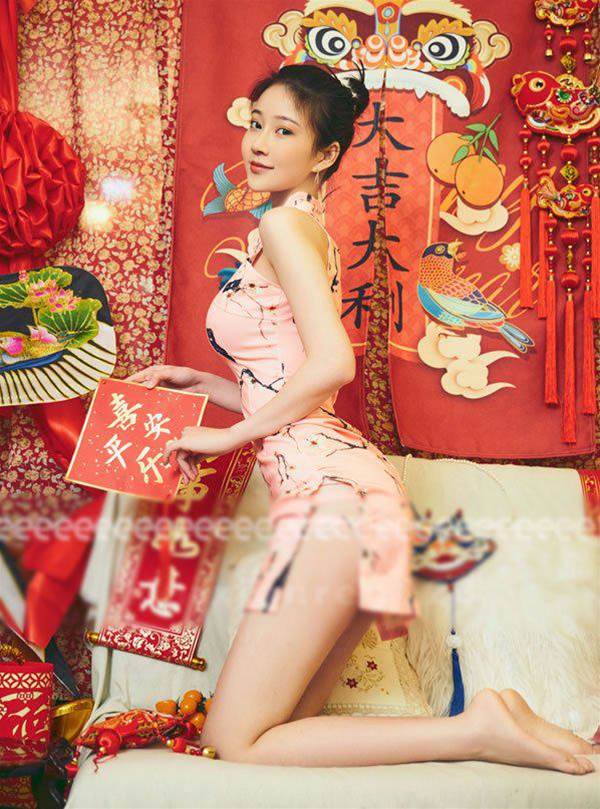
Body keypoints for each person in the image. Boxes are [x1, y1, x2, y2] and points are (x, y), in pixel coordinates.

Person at [126, 64, 597, 773]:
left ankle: (476, 729)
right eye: (256, 123)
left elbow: (333, 367)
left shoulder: (284, 226)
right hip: (354, 495)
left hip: (332, 503)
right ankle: (499, 716)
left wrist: (229, 435)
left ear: (323, 154)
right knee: (283, 728)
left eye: (284, 131)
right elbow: (290, 379)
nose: (259, 143)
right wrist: (205, 385)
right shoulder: (296, 228)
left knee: (234, 739)